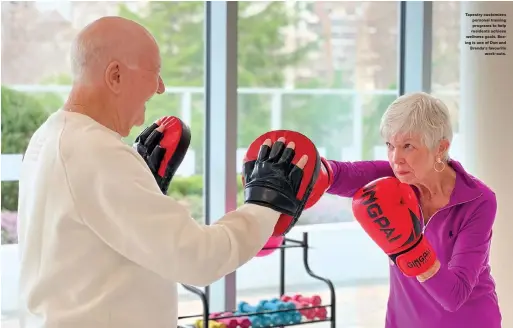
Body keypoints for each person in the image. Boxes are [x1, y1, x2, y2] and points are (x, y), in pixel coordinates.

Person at [16, 17, 310, 328]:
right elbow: (199, 258)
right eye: (153, 73)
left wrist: (143, 188)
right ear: (115, 75)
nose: (160, 88)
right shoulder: (97, 153)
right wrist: (265, 201)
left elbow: (86, 237)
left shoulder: (50, 137)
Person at [326, 92, 501, 328]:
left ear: (440, 148)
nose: (395, 158)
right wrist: (298, 166)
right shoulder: (396, 177)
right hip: (403, 321)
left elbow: (455, 294)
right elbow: (338, 174)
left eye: (408, 146)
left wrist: (409, 248)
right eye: (390, 145)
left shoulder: (478, 200)